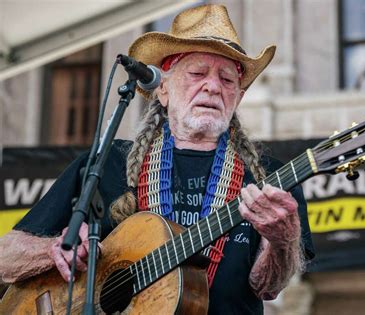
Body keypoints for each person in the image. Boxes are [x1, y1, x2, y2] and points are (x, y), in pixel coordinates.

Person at [0, 4, 314, 314]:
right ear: (162, 88)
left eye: (228, 80)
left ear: (238, 98)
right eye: (197, 73)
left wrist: (283, 241)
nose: (213, 86)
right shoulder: (104, 163)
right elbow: (5, 257)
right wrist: (51, 252)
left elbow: (267, 287)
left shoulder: (271, 181)